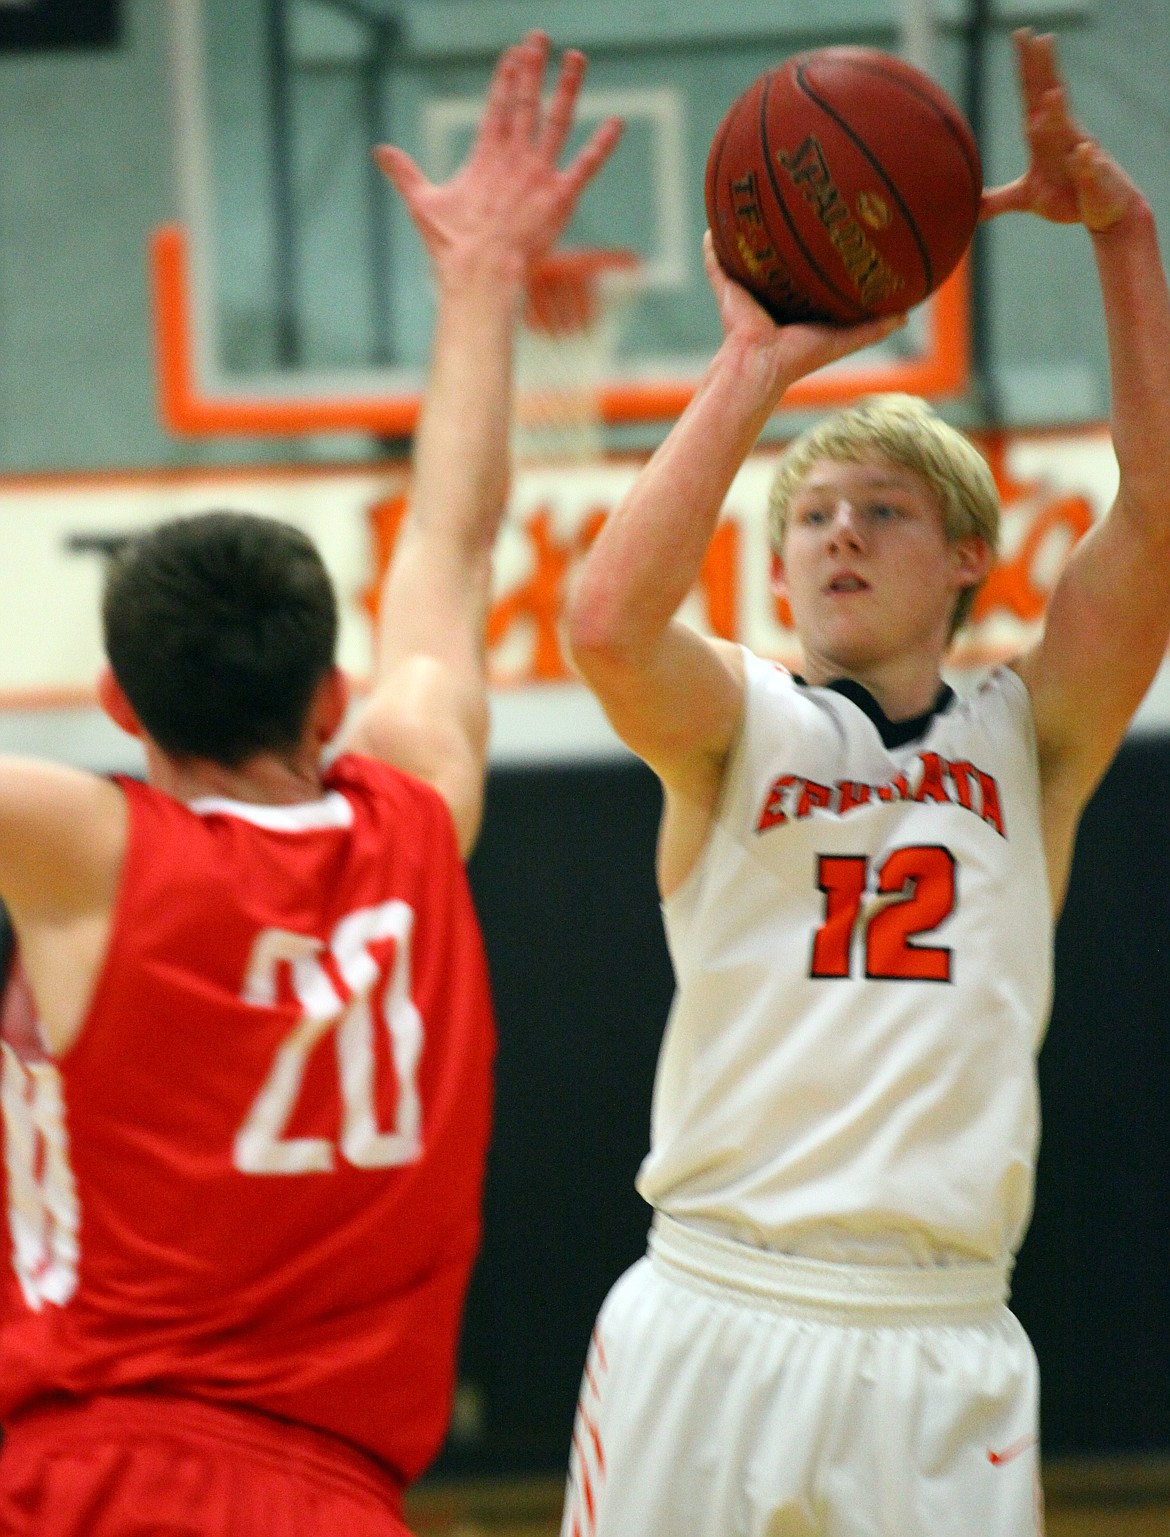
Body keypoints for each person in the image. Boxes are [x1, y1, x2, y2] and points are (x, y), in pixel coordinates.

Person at [0, 34, 620, 1537]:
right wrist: (481, 282)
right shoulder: (418, 808)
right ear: (330, 698)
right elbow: (454, 549)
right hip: (336, 1496)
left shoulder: (83, 843)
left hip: (92, 1473)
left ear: (115, 705)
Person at [560, 29, 1170, 1537]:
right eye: (811, 513)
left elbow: (1154, 520)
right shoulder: (732, 721)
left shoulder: (1027, 740)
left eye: (880, 511)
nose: (835, 535)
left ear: (969, 554)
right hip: (712, 1292)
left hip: (940, 1327)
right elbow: (603, 624)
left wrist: (1125, 242)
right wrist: (753, 362)